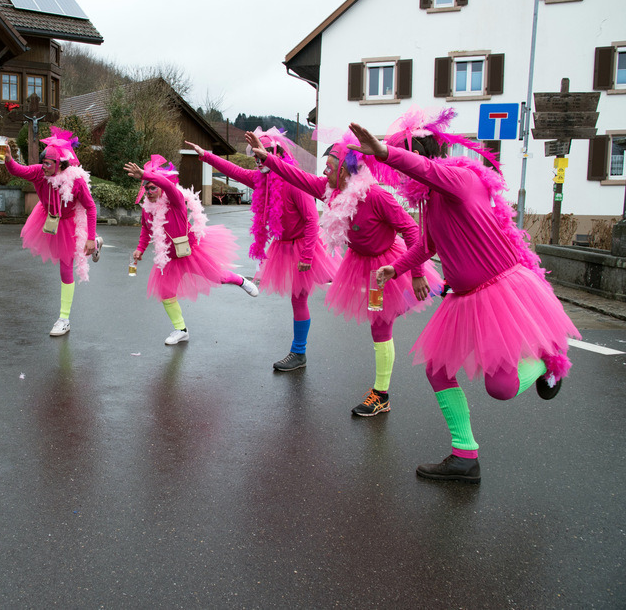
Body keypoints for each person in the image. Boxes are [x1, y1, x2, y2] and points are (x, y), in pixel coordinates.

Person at [348, 107, 579, 483]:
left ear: (426, 156)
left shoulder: (458, 180)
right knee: (437, 368)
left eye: (404, 161)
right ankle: (464, 456)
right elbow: (427, 244)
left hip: (501, 290)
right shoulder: (431, 202)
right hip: (464, 296)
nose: (399, 178)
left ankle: (549, 358)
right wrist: (399, 267)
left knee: (501, 389)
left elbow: (424, 170)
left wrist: (387, 152)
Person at [246, 129, 442, 416]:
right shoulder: (331, 191)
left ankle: (381, 394)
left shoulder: (376, 197)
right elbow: (296, 177)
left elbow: (412, 231)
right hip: (359, 264)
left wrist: (417, 273)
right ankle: (380, 391)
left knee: (380, 324)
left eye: (329, 167)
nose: (324, 172)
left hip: (385, 267)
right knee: (378, 322)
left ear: (345, 169)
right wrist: (266, 157)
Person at [186, 130, 337, 371]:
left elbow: (311, 221)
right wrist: (206, 156)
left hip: (303, 245)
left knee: (299, 298)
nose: (257, 162)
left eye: (261, 156)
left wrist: (307, 255)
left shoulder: (294, 182)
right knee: (296, 299)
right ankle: (299, 352)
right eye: (254, 157)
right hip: (283, 246)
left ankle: (299, 352)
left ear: (275, 156)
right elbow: (235, 171)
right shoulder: (261, 179)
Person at [125, 155, 259, 345]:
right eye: (146, 188)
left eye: (153, 187)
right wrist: (140, 249)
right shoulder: (147, 209)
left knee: (217, 277)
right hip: (169, 260)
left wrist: (145, 174)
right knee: (166, 294)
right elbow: (145, 230)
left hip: (191, 253)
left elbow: (170, 186)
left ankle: (240, 280)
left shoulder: (175, 201)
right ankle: (181, 330)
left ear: (161, 187)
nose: (149, 191)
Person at [4, 128, 101, 336]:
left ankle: (64, 318)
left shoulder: (76, 181)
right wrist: (8, 159)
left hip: (70, 222)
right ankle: (94, 244)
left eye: (49, 163)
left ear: (61, 165)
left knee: (66, 267)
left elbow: (91, 207)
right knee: (71, 257)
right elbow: (17, 170)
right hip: (48, 217)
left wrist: (90, 237)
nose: (44, 166)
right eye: (43, 161)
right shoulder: (39, 172)